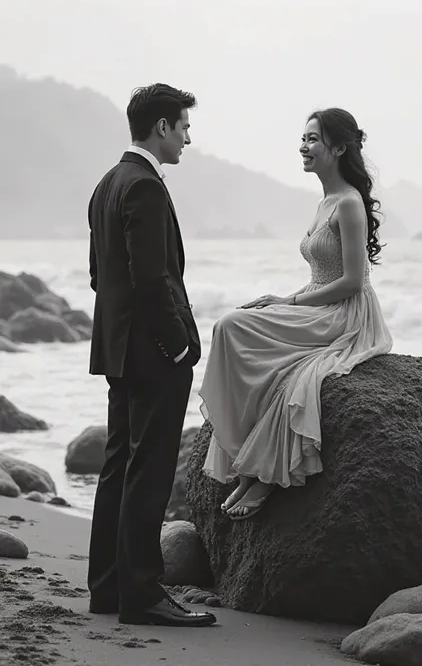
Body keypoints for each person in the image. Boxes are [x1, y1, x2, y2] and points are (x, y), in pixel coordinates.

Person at [199, 107, 393, 520]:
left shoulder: (349, 205)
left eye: (312, 139)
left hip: (345, 314)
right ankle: (248, 463)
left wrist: (288, 305)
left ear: (338, 148)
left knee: (248, 339)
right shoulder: (324, 201)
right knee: (230, 325)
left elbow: (353, 282)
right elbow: (321, 275)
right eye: (303, 139)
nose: (303, 147)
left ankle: (265, 473)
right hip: (318, 301)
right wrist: (281, 297)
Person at [87, 83, 216, 627]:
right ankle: (141, 592)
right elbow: (151, 279)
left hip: (119, 350)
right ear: (161, 127)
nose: (188, 137)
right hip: (152, 353)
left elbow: (100, 276)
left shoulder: (106, 184)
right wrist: (180, 343)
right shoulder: (144, 187)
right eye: (183, 126)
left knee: (118, 465)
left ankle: (108, 587)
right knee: (150, 469)